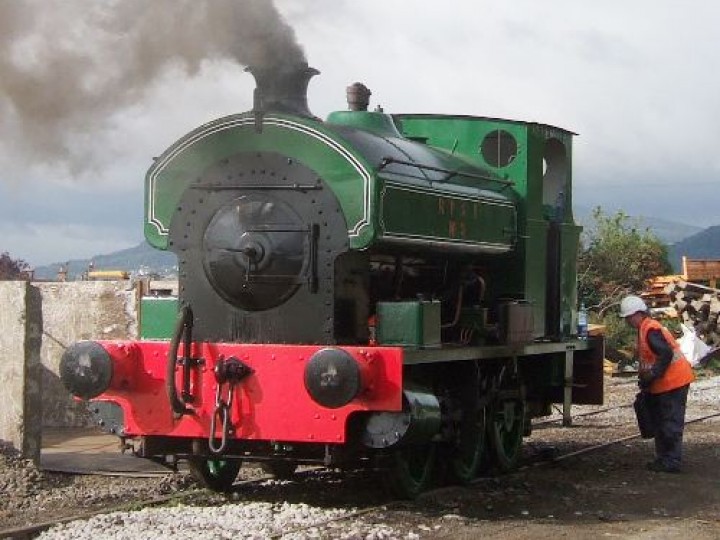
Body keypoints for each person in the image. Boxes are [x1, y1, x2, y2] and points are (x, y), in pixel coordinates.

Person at [619, 295, 695, 473]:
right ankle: (664, 459)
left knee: (670, 423)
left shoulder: (651, 329)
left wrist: (652, 374)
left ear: (637, 314)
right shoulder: (645, 328)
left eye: (629, 317)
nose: (628, 322)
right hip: (665, 383)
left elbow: (666, 354)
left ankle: (671, 461)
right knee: (662, 422)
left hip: (674, 382)